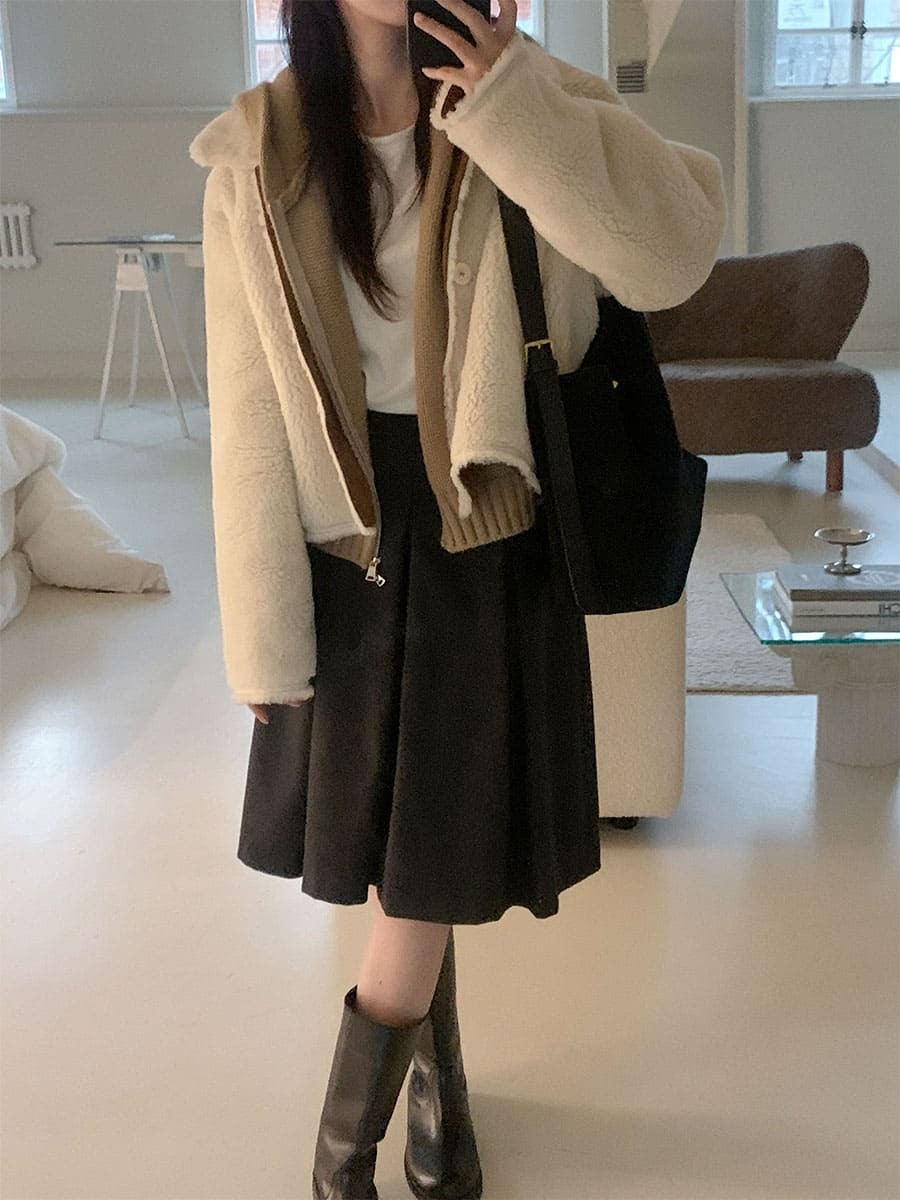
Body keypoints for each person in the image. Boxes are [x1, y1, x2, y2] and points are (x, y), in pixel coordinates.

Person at [188, 1, 727, 1195]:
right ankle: (442, 1102)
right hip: (345, 532)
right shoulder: (258, 149)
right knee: (405, 851)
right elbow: (250, 410)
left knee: (427, 843)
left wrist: (513, 106)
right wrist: (261, 636)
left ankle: (340, 1164)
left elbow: (671, 258)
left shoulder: (528, 92)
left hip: (488, 510)